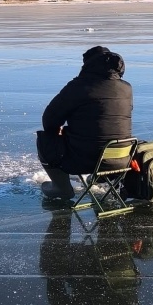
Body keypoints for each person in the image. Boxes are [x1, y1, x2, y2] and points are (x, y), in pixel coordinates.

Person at [36, 45, 132, 199]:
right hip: (121, 159)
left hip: (83, 160)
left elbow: (49, 120)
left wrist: (57, 131)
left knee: (45, 139)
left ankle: (61, 188)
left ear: (88, 65)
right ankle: (100, 178)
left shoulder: (79, 86)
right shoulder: (126, 88)